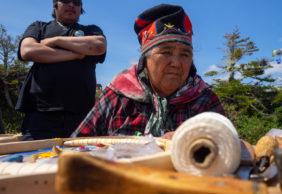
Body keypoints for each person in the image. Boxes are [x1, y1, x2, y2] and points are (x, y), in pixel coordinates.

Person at [71, 4, 224, 139]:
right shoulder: (118, 96)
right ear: (145, 59)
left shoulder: (204, 100)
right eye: (166, 52)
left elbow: (229, 150)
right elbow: (74, 148)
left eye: (184, 54)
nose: (176, 64)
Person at [15, 0, 107, 140]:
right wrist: (76, 54)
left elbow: (99, 46)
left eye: (76, 2)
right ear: (55, 5)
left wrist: (55, 41)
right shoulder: (39, 27)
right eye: (65, 1)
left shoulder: (91, 30)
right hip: (40, 115)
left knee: (79, 161)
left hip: (82, 116)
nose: (71, 5)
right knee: (34, 160)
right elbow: (28, 51)